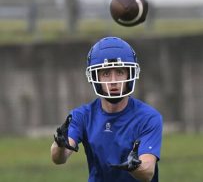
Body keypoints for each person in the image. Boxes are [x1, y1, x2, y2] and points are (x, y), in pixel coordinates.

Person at [50, 36, 163, 182]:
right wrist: (59, 145)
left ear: (131, 74)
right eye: (106, 73)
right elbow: (59, 158)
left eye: (120, 72)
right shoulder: (81, 116)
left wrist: (135, 167)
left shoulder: (148, 117)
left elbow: (147, 172)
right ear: (95, 77)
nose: (113, 81)